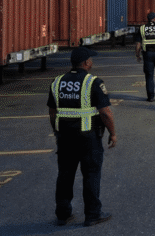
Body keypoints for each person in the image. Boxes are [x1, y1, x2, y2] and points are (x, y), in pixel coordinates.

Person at [47, 47, 116, 227]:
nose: (92, 63)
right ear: (86, 63)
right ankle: (93, 214)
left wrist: (57, 132)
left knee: (65, 174)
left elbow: (52, 112)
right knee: (91, 174)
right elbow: (106, 113)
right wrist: (113, 133)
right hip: (88, 138)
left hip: (65, 138)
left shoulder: (57, 82)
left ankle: (63, 214)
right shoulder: (93, 82)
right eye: (91, 60)